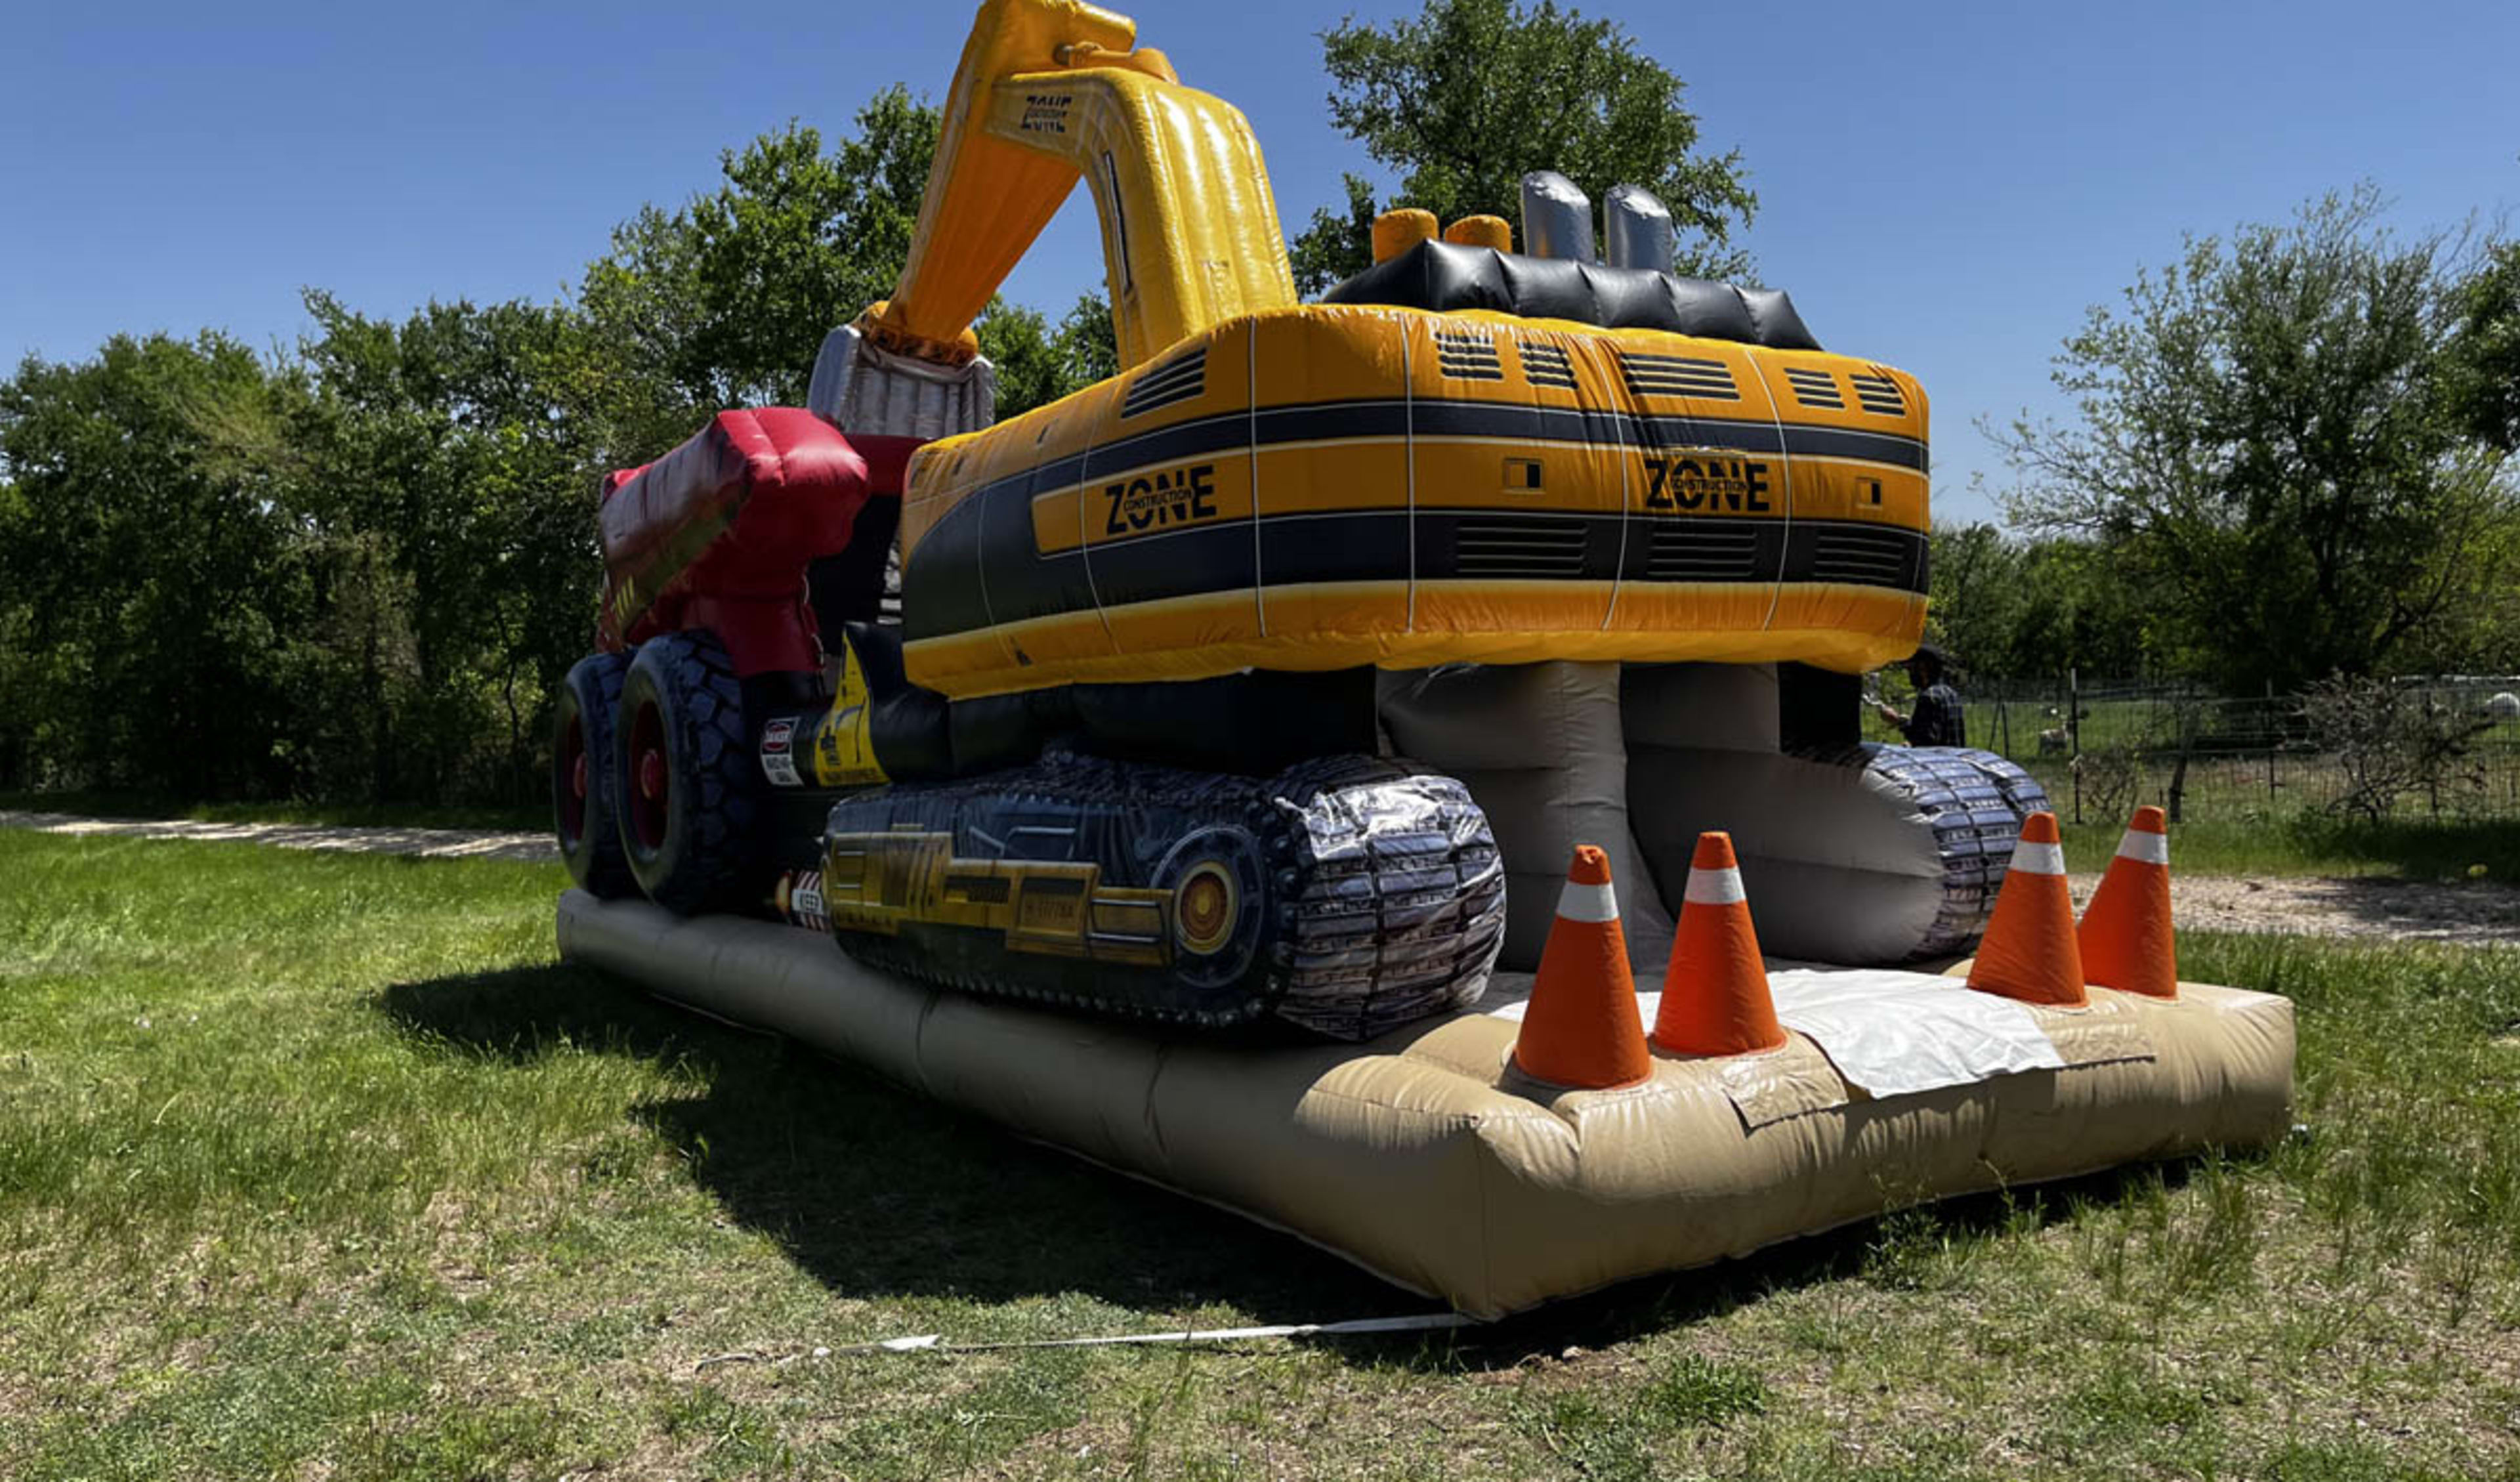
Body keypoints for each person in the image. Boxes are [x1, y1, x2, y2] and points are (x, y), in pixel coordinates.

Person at [1874, 643, 1967, 748]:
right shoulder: (1952, 694)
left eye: (1911, 668)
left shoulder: (1929, 697)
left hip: (1937, 762)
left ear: (1924, 667)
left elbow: (1925, 741)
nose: (1909, 673)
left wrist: (1896, 720)